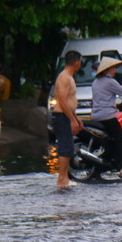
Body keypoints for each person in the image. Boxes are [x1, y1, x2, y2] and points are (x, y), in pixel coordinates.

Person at [52, 50, 83, 187]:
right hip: (61, 116)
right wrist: (72, 120)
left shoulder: (69, 77)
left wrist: (76, 117)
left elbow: (69, 101)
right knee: (65, 147)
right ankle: (62, 179)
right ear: (77, 63)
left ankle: (64, 177)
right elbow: (63, 100)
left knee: (68, 147)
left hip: (67, 115)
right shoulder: (64, 77)